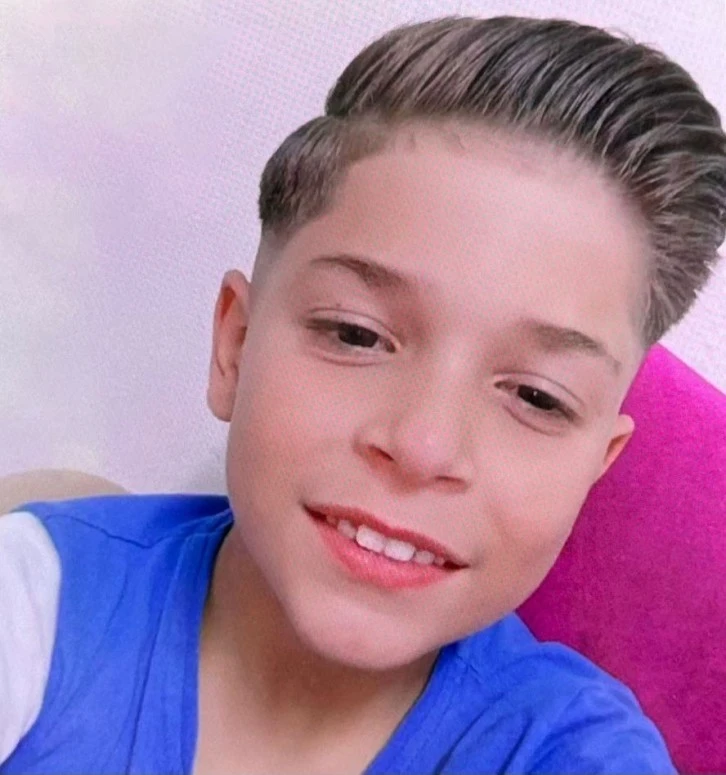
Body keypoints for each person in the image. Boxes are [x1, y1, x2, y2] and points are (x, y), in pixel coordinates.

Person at [2, 13, 725, 775]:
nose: (423, 445)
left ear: (595, 468)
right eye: (356, 334)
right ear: (235, 346)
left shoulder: (571, 751)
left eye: (538, 398)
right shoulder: (39, 602)